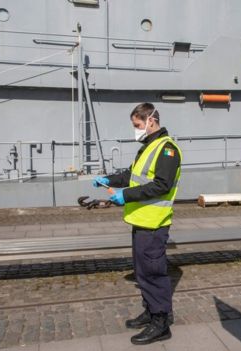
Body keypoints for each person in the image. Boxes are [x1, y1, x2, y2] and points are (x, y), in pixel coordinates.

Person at [93, 102, 181, 345]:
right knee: (143, 272)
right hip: (141, 221)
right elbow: (130, 176)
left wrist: (125, 196)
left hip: (154, 224)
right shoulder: (148, 147)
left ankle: (161, 323)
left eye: (138, 125)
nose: (136, 130)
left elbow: (161, 185)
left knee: (153, 273)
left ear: (150, 121)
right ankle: (151, 310)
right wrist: (107, 179)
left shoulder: (167, 150)